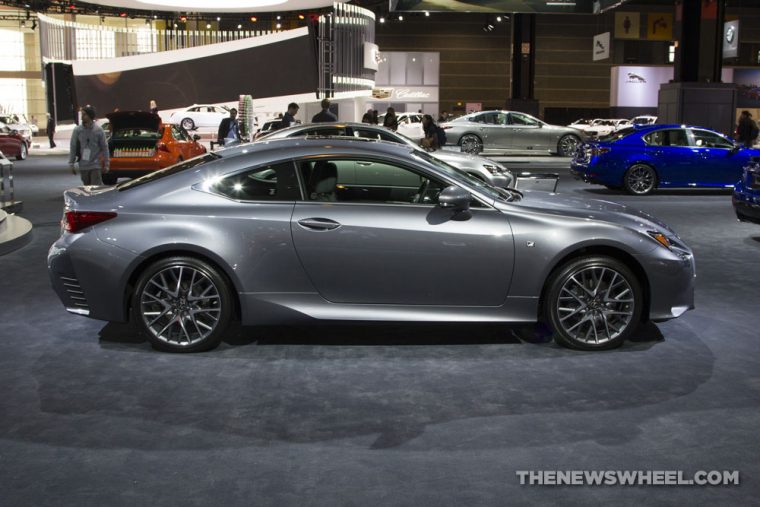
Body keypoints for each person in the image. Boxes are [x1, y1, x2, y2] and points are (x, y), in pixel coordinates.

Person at [68, 105, 109, 185]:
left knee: (95, 189)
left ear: (90, 116)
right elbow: (73, 146)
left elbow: (104, 147)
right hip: (83, 165)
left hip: (95, 165)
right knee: (87, 189)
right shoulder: (77, 130)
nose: (82, 117)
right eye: (82, 114)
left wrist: (107, 164)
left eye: (84, 115)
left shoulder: (99, 130)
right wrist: (71, 163)